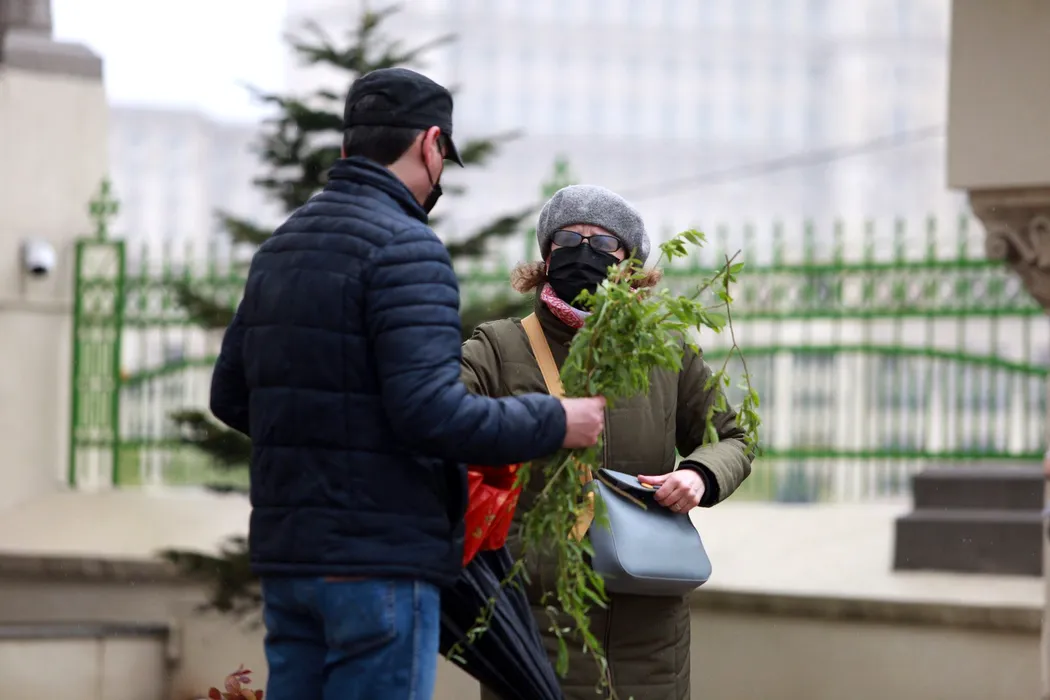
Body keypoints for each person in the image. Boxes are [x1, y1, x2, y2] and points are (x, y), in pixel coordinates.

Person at [208, 68, 606, 700]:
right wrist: (558, 420)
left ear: (348, 145)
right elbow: (432, 414)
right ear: (430, 144)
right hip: (380, 566)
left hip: (290, 561)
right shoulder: (407, 248)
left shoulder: (282, 247)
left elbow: (229, 395)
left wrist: (337, 441)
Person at [460, 184, 754, 700]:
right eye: (568, 240)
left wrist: (699, 475)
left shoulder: (666, 349)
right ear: (546, 256)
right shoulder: (498, 348)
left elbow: (732, 437)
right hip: (537, 616)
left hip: (650, 622)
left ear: (630, 264)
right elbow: (442, 421)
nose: (583, 253)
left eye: (601, 244)